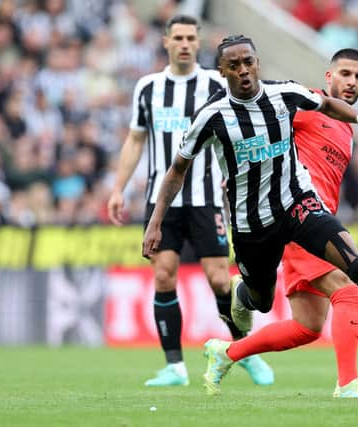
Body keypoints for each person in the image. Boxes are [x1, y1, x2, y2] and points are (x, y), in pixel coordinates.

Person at [142, 35, 358, 396]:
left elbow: (330, 109)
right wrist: (157, 222)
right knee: (320, 292)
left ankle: (228, 352)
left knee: (314, 319)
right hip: (256, 224)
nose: (352, 82)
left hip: (302, 212)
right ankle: (338, 372)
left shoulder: (337, 124)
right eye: (345, 74)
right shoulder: (260, 106)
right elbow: (178, 169)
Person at [108, 17, 273, 387]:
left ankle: (244, 350)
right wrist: (119, 187)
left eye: (190, 38)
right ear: (166, 41)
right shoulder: (147, 87)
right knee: (164, 275)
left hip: (206, 196)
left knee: (219, 279)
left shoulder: (217, 84)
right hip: (160, 200)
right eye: (177, 37)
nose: (184, 43)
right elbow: (136, 140)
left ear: (198, 43)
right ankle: (174, 367)